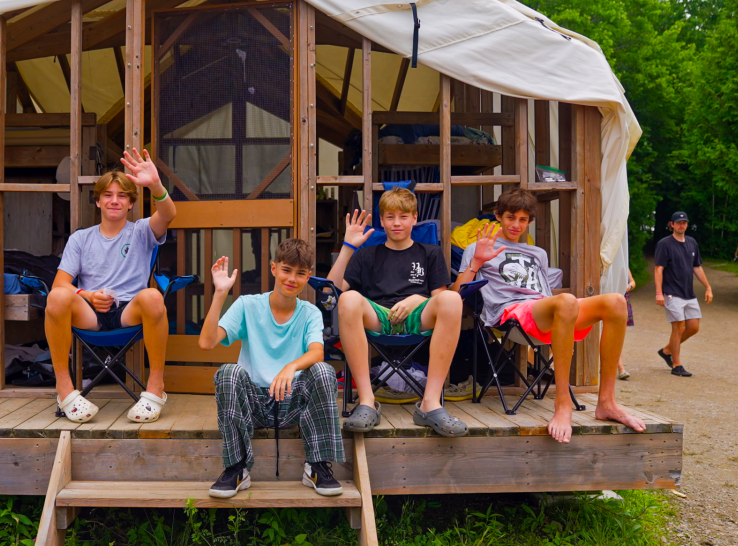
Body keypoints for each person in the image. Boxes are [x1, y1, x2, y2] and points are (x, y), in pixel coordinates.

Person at [455, 189, 646, 444]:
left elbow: (543, 292)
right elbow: (456, 294)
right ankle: (562, 404)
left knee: (616, 302)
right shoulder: (478, 247)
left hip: (544, 311)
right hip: (510, 314)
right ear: (498, 215)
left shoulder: (538, 253)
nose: (516, 225)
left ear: (529, 222)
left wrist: (557, 310)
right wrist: (477, 261)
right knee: (566, 301)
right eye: (511, 217)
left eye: (523, 220)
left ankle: (607, 402)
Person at [199, 239, 345, 498]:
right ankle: (236, 468)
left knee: (323, 370)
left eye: (300, 273)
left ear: (308, 276)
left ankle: (317, 465)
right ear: (273, 268)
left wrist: (290, 367)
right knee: (228, 373)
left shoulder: (310, 312)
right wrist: (220, 293)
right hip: (252, 403)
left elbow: (317, 352)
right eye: (287, 270)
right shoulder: (247, 304)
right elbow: (207, 342)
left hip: (292, 402)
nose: (292, 279)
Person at [45, 149, 176, 423]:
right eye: (108, 195)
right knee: (56, 297)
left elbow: (168, 214)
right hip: (90, 313)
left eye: (122, 196)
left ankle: (156, 388)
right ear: (98, 202)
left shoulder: (141, 230)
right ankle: (64, 389)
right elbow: (60, 284)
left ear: (130, 203)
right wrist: (87, 295)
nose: (114, 201)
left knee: (153, 296)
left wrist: (155, 185)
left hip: (129, 312)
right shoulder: (80, 239)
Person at [326, 187, 467, 437]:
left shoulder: (430, 253)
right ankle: (367, 401)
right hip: (378, 317)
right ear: (381, 221)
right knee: (347, 299)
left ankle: (430, 403)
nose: (397, 223)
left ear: (414, 218)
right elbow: (331, 290)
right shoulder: (366, 254)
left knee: (452, 299)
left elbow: (440, 299)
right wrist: (348, 246)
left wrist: (416, 299)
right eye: (390, 217)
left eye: (403, 216)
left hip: (417, 316)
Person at [654, 211, 713, 377]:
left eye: (684, 222)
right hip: (672, 292)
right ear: (671, 224)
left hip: (689, 293)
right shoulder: (665, 244)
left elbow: (697, 267)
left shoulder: (692, 243)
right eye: (679, 222)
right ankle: (676, 364)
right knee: (678, 327)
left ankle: (667, 350)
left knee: (693, 327)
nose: (682, 225)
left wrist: (708, 286)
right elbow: (659, 268)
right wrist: (659, 293)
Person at [617, 269, 636, 380]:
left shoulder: (623, 265)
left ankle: (620, 367)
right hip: (609, 299)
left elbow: (633, 281)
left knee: (618, 335)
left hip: (623, 300)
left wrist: (629, 286)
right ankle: (619, 367)